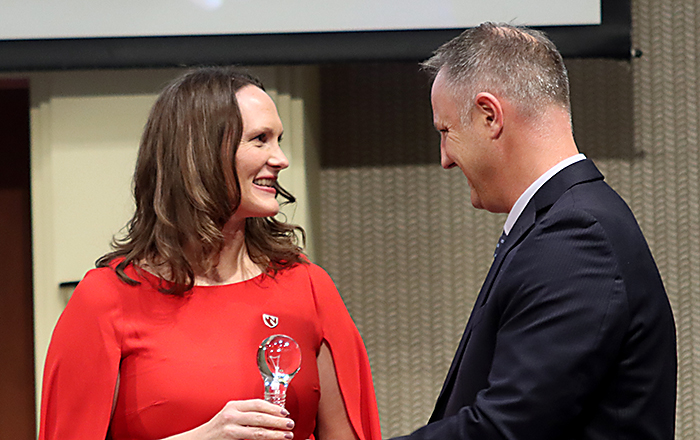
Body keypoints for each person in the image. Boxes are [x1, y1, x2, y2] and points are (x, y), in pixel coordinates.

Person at [39, 66, 381, 440]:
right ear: (200, 152)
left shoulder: (308, 287)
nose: (280, 158)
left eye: (278, 140)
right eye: (260, 140)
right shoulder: (106, 299)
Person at [392, 23, 677, 440]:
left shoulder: (578, 237)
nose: (445, 159)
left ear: (490, 116)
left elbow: (507, 427)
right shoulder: (569, 220)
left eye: (445, 131)